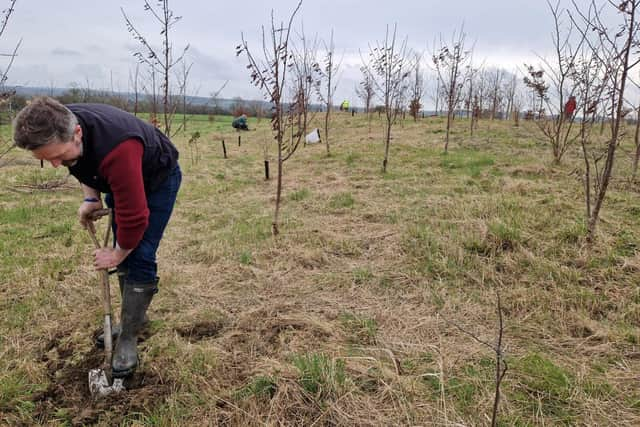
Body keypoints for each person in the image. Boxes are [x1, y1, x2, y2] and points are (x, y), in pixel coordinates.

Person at [13, 96, 181, 378]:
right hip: (120, 175)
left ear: (77, 133)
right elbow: (80, 164)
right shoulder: (62, 122)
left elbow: (135, 216)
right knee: (126, 252)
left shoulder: (119, 149)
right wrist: (91, 197)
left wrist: (117, 254)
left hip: (156, 179)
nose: (57, 165)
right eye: (47, 159)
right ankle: (134, 318)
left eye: (59, 156)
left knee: (137, 254)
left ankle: (129, 336)